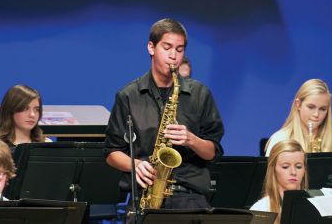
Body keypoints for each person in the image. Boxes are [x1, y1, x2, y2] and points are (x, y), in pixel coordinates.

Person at [104, 18, 224, 211]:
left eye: (179, 49)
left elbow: (213, 152)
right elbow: (111, 152)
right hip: (145, 195)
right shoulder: (128, 96)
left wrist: (191, 139)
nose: (173, 56)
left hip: (190, 197)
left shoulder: (201, 94)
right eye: (167, 47)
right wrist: (135, 165)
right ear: (151, 48)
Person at [265, 79, 332, 156]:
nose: (316, 114)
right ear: (298, 104)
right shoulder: (280, 139)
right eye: (311, 107)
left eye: (322, 109)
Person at [251, 140, 308, 224]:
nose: (293, 172)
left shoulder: (316, 206)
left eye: (298, 167)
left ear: (304, 171)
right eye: (285, 167)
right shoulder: (261, 209)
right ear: (273, 170)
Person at [0, 84, 52, 152]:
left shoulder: (47, 144)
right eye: (25, 109)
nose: (32, 115)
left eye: (36, 109)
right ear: (11, 110)